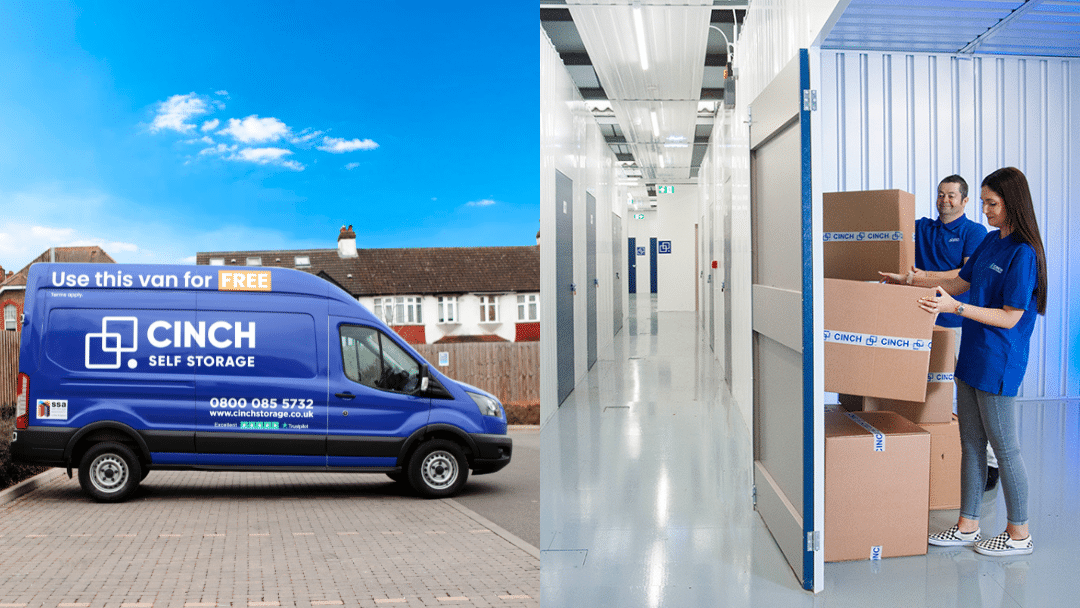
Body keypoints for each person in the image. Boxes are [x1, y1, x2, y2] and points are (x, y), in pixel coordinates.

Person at [880, 167, 1047, 556]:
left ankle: (1019, 533)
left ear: (1013, 204)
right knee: (970, 444)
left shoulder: (1023, 254)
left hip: (999, 361)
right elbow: (957, 282)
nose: (986, 210)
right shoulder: (991, 242)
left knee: (1005, 450)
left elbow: (1010, 316)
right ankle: (967, 525)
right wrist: (909, 281)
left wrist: (956, 308)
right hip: (972, 357)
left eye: (993, 204)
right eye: (985, 203)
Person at [915, 176, 998, 490]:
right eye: (940, 194)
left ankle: (988, 463)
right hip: (924, 320)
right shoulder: (923, 228)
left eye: (951, 195)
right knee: (933, 393)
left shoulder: (974, 232)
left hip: (959, 323)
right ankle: (940, 452)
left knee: (968, 394)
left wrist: (921, 277)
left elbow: (962, 276)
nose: (944, 200)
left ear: (964, 201)